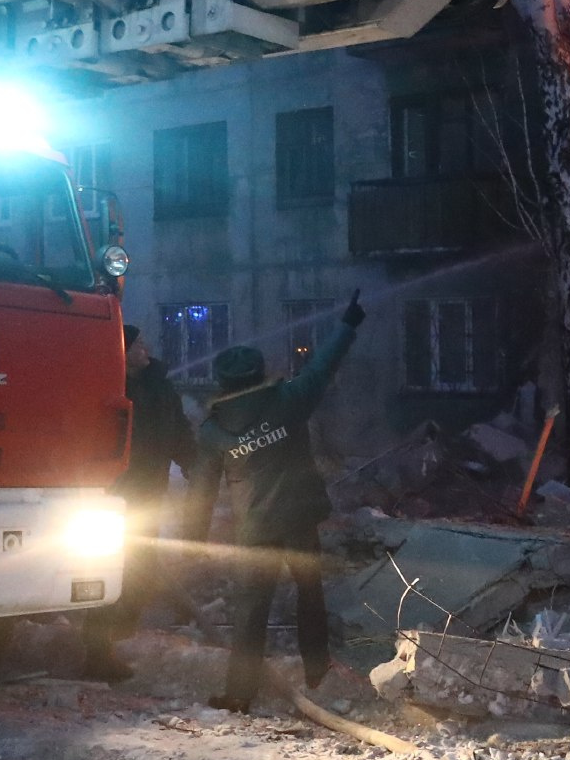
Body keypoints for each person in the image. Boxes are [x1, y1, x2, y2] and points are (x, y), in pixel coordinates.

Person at [194, 291, 365, 712]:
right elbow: (323, 365)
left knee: (251, 607)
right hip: (300, 519)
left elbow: (201, 491)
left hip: (255, 528)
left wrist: (192, 541)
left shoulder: (213, 431)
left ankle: (239, 693)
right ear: (260, 373)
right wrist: (348, 323)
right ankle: (317, 670)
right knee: (310, 593)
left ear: (223, 383)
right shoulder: (289, 401)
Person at [79, 324, 201, 683]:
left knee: (141, 571)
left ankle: (120, 635)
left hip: (149, 492)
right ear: (122, 350)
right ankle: (98, 652)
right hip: (113, 496)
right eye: (137, 345)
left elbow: (177, 428)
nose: (145, 349)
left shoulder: (159, 384)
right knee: (109, 572)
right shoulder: (108, 386)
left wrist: (192, 462)